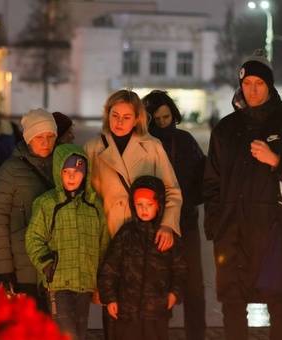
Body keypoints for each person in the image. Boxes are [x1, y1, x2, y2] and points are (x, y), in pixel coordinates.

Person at [203, 49, 282, 339]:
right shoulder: (225, 129)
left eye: (259, 83)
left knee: (279, 306)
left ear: (270, 85)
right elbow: (211, 181)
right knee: (232, 307)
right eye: (247, 83)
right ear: (240, 85)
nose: (252, 90)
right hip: (231, 234)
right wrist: (216, 223)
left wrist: (278, 162)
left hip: (273, 233)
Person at [83, 89, 183, 339]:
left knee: (148, 312)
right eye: (115, 115)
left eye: (126, 117)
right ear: (107, 115)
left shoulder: (152, 147)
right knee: (114, 307)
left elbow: (172, 190)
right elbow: (85, 197)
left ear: (137, 118)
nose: (119, 122)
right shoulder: (94, 148)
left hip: (147, 240)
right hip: (110, 238)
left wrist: (168, 225)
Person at [26, 143, 109, 340]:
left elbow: (103, 244)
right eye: (66, 171)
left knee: (79, 334)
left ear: (85, 174)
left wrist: (102, 280)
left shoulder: (94, 206)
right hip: (58, 283)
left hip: (85, 284)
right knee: (68, 335)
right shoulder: (47, 203)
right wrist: (46, 265)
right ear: (58, 172)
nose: (72, 176)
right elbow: (33, 238)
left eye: (77, 171)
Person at [142, 89, 207, 340]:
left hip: (186, 220)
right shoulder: (146, 144)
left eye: (165, 118)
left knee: (193, 284)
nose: (162, 124)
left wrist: (189, 200)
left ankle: (196, 334)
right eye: (156, 120)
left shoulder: (185, 141)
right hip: (153, 223)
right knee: (156, 283)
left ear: (173, 114)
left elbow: (203, 177)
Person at [97, 175, 186, 340]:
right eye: (139, 204)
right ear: (133, 204)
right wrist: (109, 298)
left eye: (149, 204)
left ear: (159, 205)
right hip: (125, 312)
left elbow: (180, 270)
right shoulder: (125, 234)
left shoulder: (168, 237)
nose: (144, 209)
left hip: (157, 313)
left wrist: (174, 294)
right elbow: (109, 269)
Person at [0, 108, 58, 313]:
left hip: (58, 266)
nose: (45, 142)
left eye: (50, 136)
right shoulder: (10, 170)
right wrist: (4, 271)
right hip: (23, 267)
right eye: (39, 137)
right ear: (28, 139)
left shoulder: (64, 166)